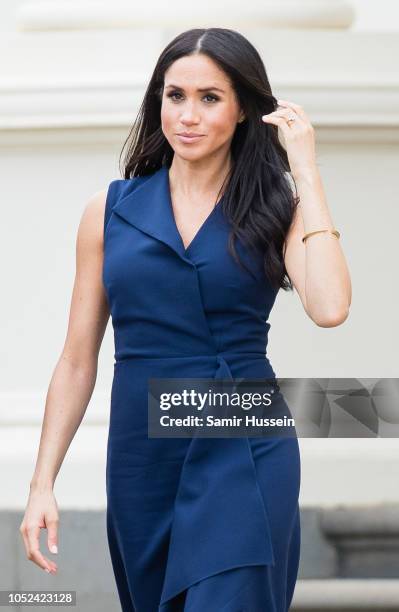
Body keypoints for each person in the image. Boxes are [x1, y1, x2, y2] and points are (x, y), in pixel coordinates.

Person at [19, 27, 352, 612]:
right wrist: (42, 482)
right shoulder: (110, 211)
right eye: (175, 96)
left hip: (244, 442)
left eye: (210, 98)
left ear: (245, 108)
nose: (188, 116)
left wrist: (305, 169)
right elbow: (76, 358)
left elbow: (329, 306)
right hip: (142, 454)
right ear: (158, 102)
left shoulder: (277, 206)